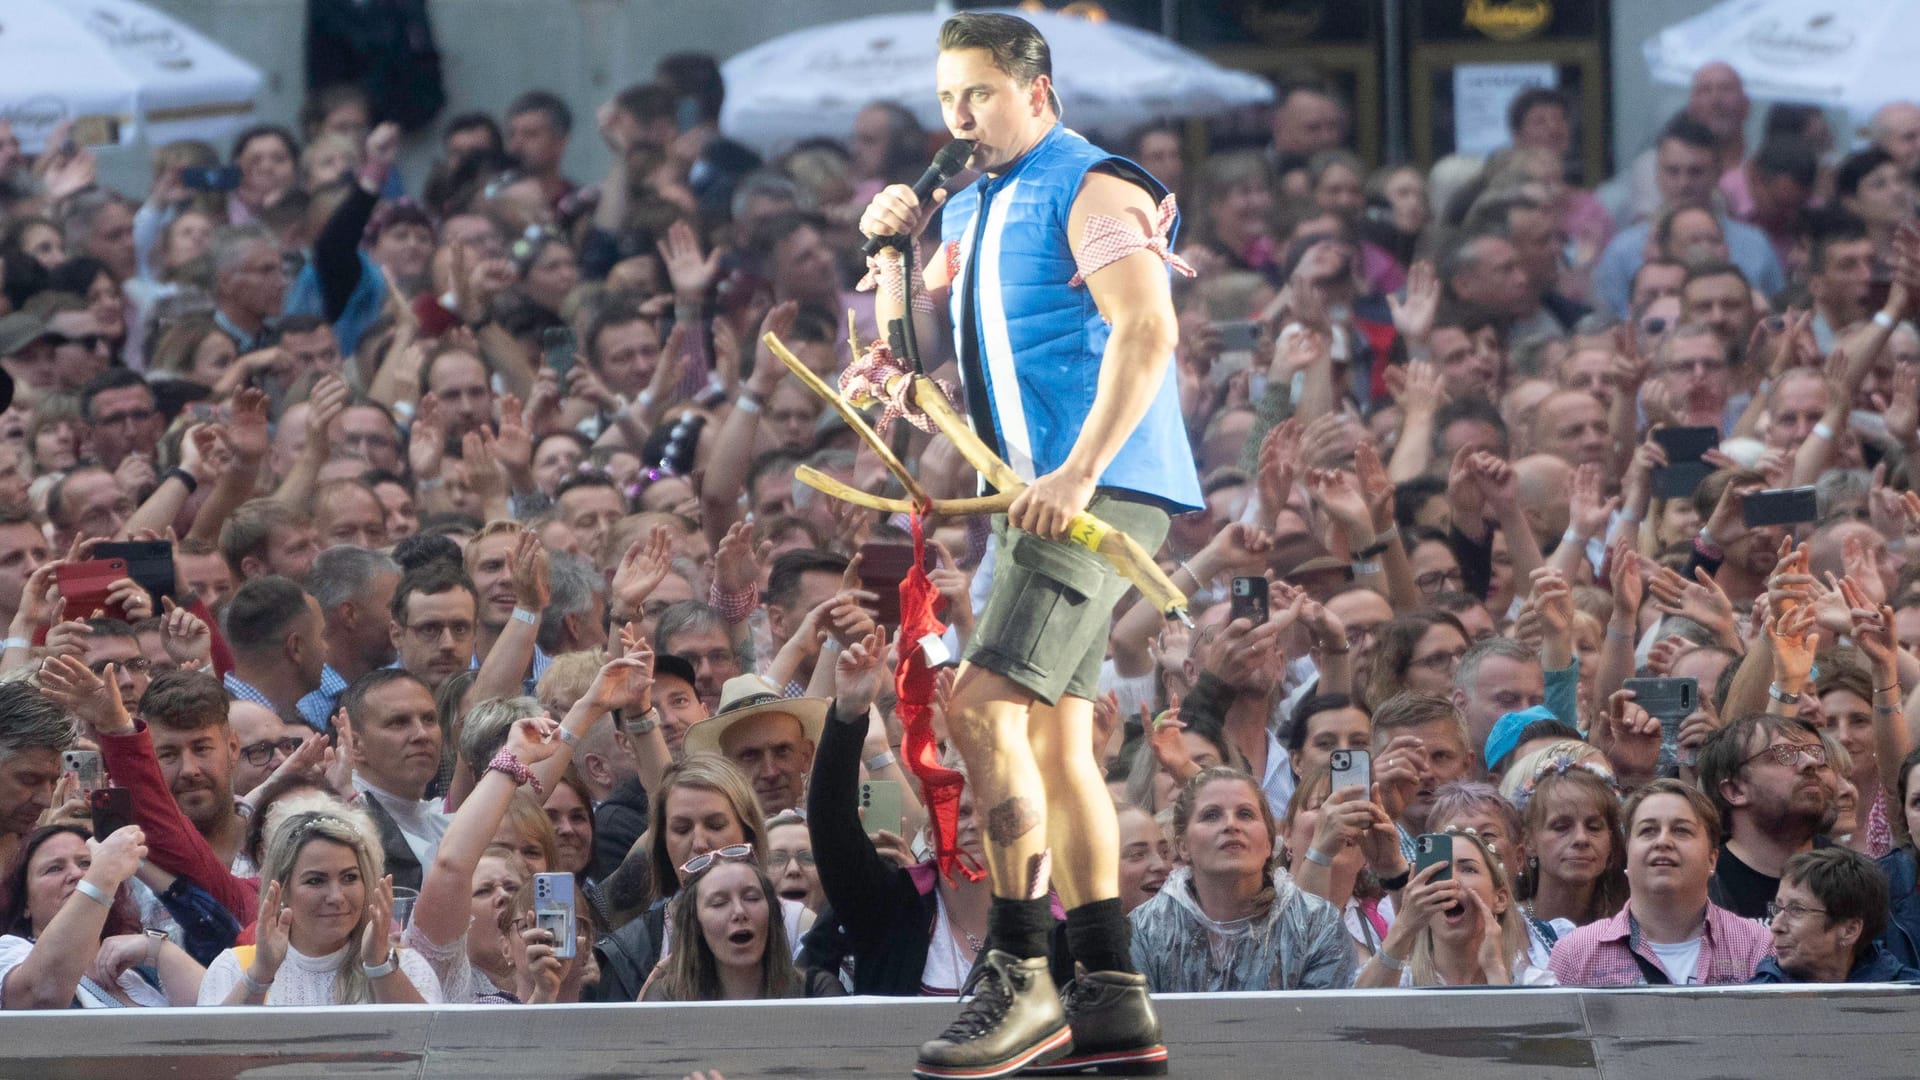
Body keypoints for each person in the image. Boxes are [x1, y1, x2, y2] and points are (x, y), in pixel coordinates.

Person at [859, 12, 1202, 1075]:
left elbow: (1149, 331)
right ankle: (1108, 988)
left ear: (1037, 92)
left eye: (981, 96)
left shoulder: (1095, 183)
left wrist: (1080, 472)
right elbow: (914, 369)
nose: (960, 118)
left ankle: (1020, 974)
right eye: (948, 98)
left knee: (982, 705)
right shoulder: (980, 204)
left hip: (1087, 493)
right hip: (1029, 497)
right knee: (1052, 742)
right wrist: (886, 258)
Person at [1128, 766, 1354, 994]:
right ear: (1183, 847)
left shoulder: (1319, 925)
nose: (1231, 825)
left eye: (1245, 814)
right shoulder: (1142, 931)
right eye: (1211, 815)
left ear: (1268, 842)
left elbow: (1323, 1024)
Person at [197, 802, 442, 1005]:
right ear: (282, 890)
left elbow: (428, 1053)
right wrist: (261, 973)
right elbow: (216, 1059)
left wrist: (378, 965)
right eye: (315, 880)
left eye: (350, 878)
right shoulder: (233, 968)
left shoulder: (407, 966)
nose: (336, 896)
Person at [1549, 780, 1772, 986]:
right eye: (1648, 831)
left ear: (1712, 858)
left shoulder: (1758, 946)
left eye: (1681, 830)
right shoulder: (1575, 954)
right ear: (1627, 853)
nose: (1663, 841)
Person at [0, 823, 203, 1007]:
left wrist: (161, 950)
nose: (77, 874)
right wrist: (104, 872)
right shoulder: (9, 954)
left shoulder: (139, 973)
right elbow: (40, 995)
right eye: (54, 868)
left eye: (86, 864)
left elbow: (216, 1025)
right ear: (25, 902)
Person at [1354, 826, 1554, 987]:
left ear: (1500, 899)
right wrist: (1405, 926)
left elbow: (1517, 1038)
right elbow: (1356, 1022)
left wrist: (1494, 971)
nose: (1451, 881)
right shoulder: (1400, 981)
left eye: (1468, 869)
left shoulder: (1533, 984)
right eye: (1440, 872)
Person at [1752, 848, 1920, 984]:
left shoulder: (1908, 996)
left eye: (1797, 910)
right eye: (1778, 908)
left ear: (1849, 930)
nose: (1775, 926)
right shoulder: (1750, 1004)